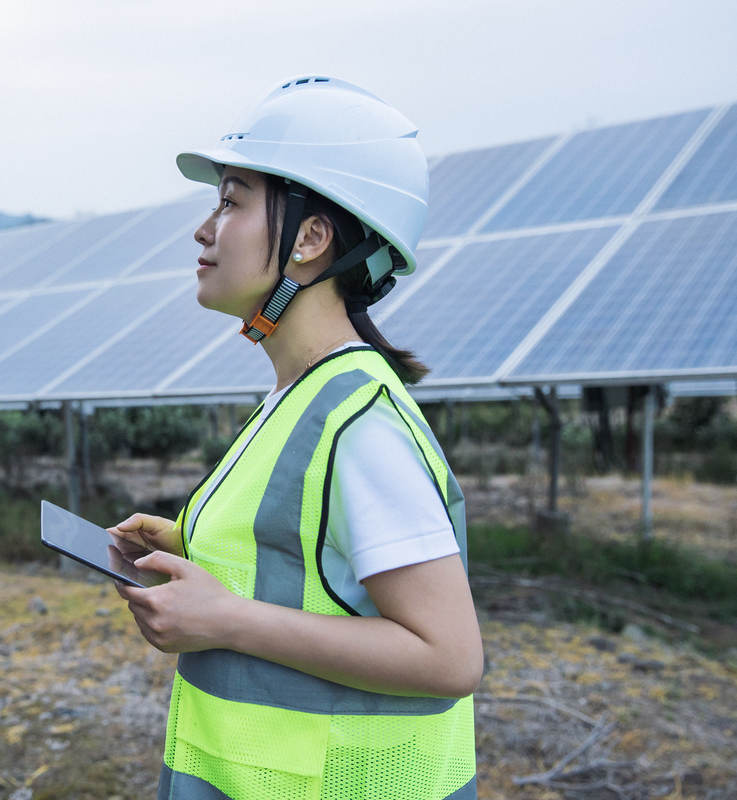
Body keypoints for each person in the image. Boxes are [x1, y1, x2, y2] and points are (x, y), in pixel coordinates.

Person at [110, 76, 482, 800]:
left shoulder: (358, 423)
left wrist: (227, 619)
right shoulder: (301, 397)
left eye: (231, 201)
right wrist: (193, 547)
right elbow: (313, 568)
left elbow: (449, 656)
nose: (204, 229)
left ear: (310, 239)